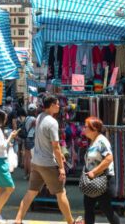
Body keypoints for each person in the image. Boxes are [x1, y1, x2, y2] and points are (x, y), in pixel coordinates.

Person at [14, 95, 82, 224]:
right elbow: (56, 146)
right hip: (48, 164)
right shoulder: (52, 122)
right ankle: (71, 221)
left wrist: (58, 155)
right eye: (57, 104)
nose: (59, 106)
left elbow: (45, 141)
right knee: (61, 192)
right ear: (51, 105)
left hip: (37, 162)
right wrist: (62, 168)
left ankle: (18, 220)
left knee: (31, 192)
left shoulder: (39, 117)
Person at [82, 116, 120, 224]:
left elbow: (109, 158)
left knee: (106, 209)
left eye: (86, 127)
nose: (83, 129)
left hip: (103, 179)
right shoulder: (93, 141)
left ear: (94, 128)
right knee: (88, 208)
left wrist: (94, 171)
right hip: (92, 180)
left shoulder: (102, 141)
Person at [22, 104, 37, 180]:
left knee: (26, 158)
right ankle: (31, 175)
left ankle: (25, 175)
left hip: (26, 138)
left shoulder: (26, 118)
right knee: (31, 158)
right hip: (31, 138)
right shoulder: (34, 119)